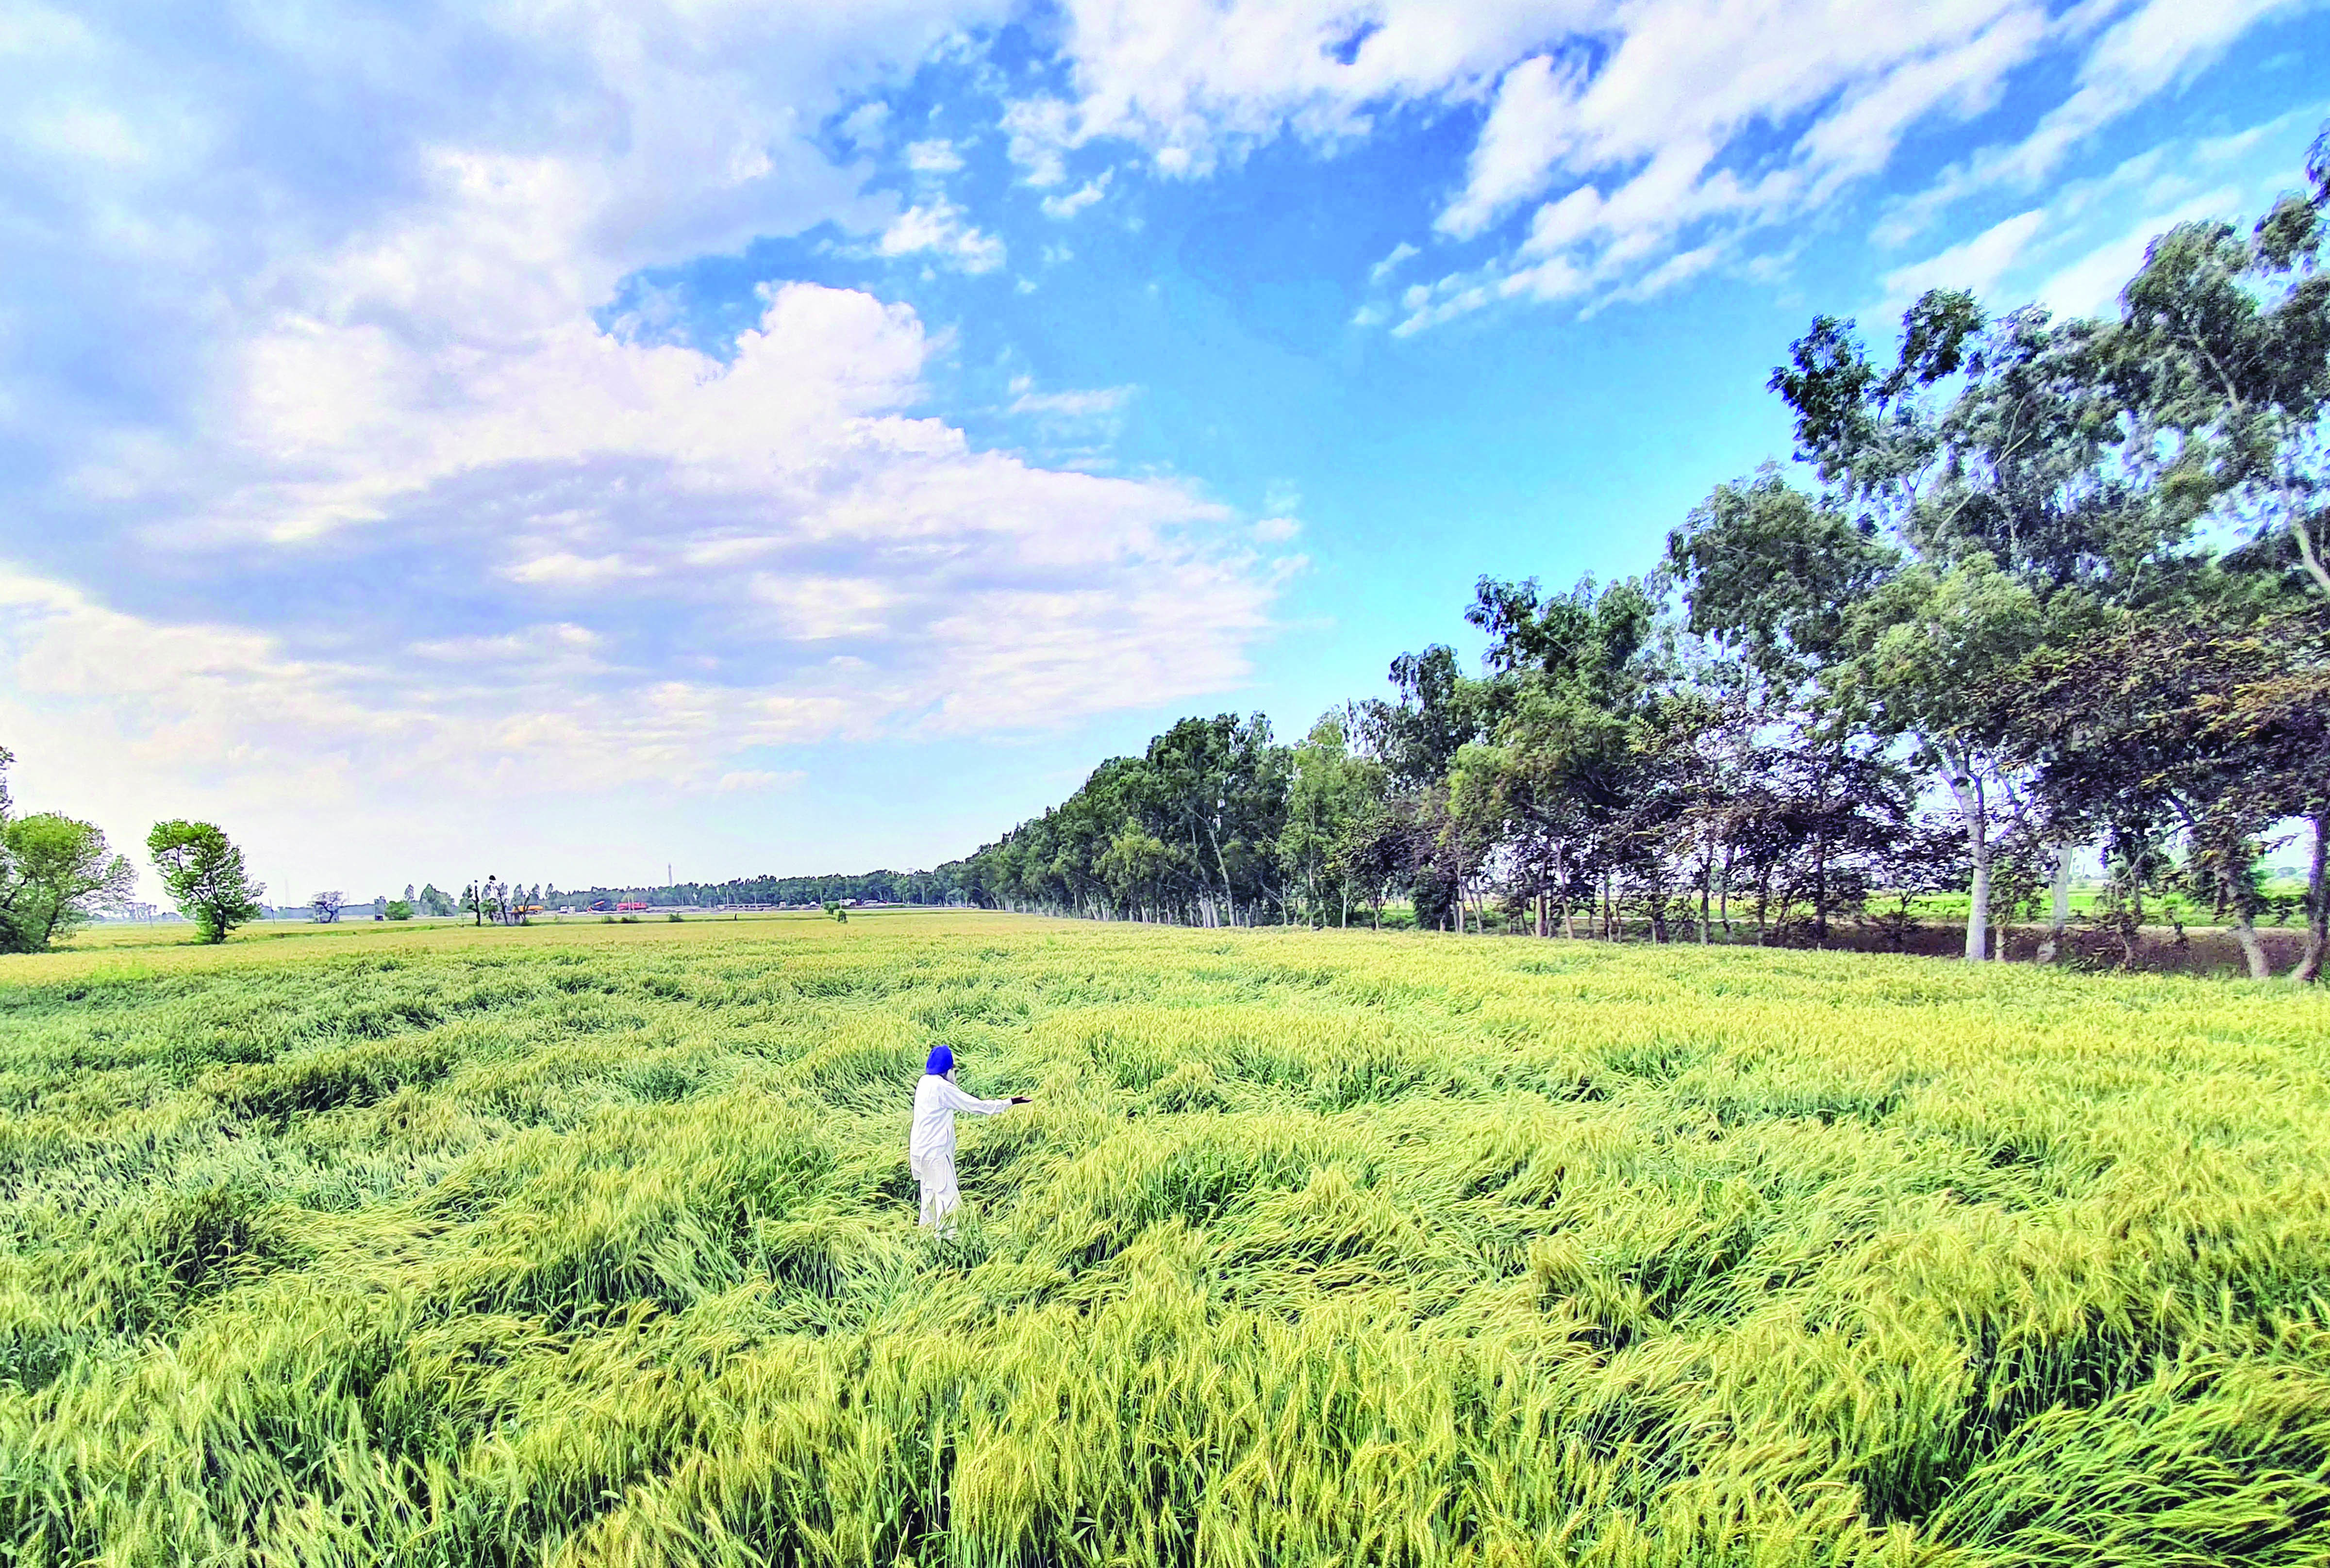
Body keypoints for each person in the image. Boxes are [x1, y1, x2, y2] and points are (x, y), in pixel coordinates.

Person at [909, 1045, 1029, 1231]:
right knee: (950, 1204)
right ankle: (946, 1246)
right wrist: (1009, 1102)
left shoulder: (924, 1082)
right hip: (935, 1156)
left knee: (929, 1199)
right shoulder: (943, 1088)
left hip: (919, 1153)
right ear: (947, 1070)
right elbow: (976, 1105)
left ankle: (923, 1237)